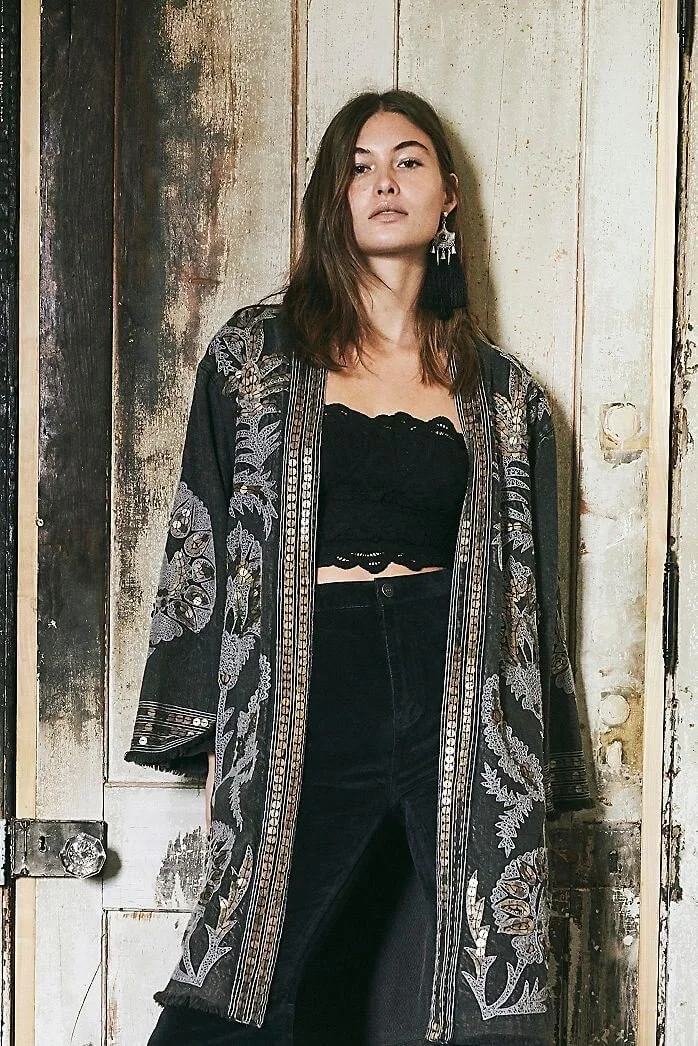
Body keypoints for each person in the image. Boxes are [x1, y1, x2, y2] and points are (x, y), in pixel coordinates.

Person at [126, 89, 593, 1046]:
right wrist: (218, 733)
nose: (384, 181)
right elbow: (201, 540)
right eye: (359, 163)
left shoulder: (506, 397)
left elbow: (532, 599)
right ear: (332, 197)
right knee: (239, 978)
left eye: (409, 161)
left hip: (453, 691)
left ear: (448, 197)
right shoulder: (255, 356)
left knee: (485, 985)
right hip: (304, 683)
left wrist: (535, 751)